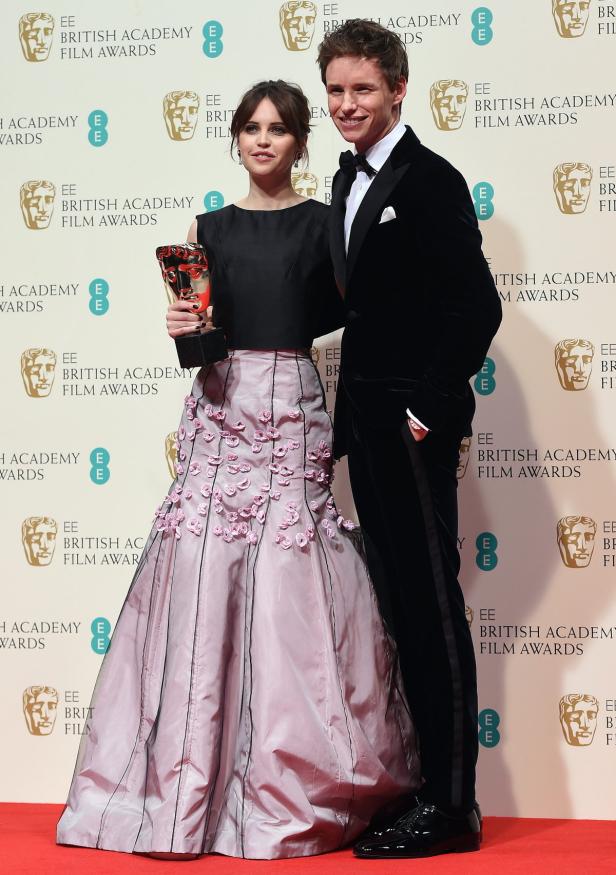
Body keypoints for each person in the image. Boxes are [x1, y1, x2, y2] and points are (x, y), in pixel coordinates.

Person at [56, 79, 418, 861]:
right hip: (220, 408)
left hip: (290, 404)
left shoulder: (327, 226)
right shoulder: (205, 229)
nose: (263, 141)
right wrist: (184, 329)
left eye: (279, 129)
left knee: (292, 590)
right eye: (251, 128)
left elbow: (356, 316)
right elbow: (200, 348)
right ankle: (187, 792)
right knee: (202, 578)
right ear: (234, 138)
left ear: (299, 143)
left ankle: (293, 782)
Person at [317, 20, 502, 858]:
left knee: (432, 611)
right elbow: (350, 305)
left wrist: (423, 410)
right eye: (335, 89)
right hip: (368, 429)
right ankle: (426, 788)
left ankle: (455, 807)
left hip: (413, 431)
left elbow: (476, 307)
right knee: (399, 610)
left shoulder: (430, 181)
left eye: (362, 88)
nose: (346, 103)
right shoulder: (343, 179)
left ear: (398, 89)